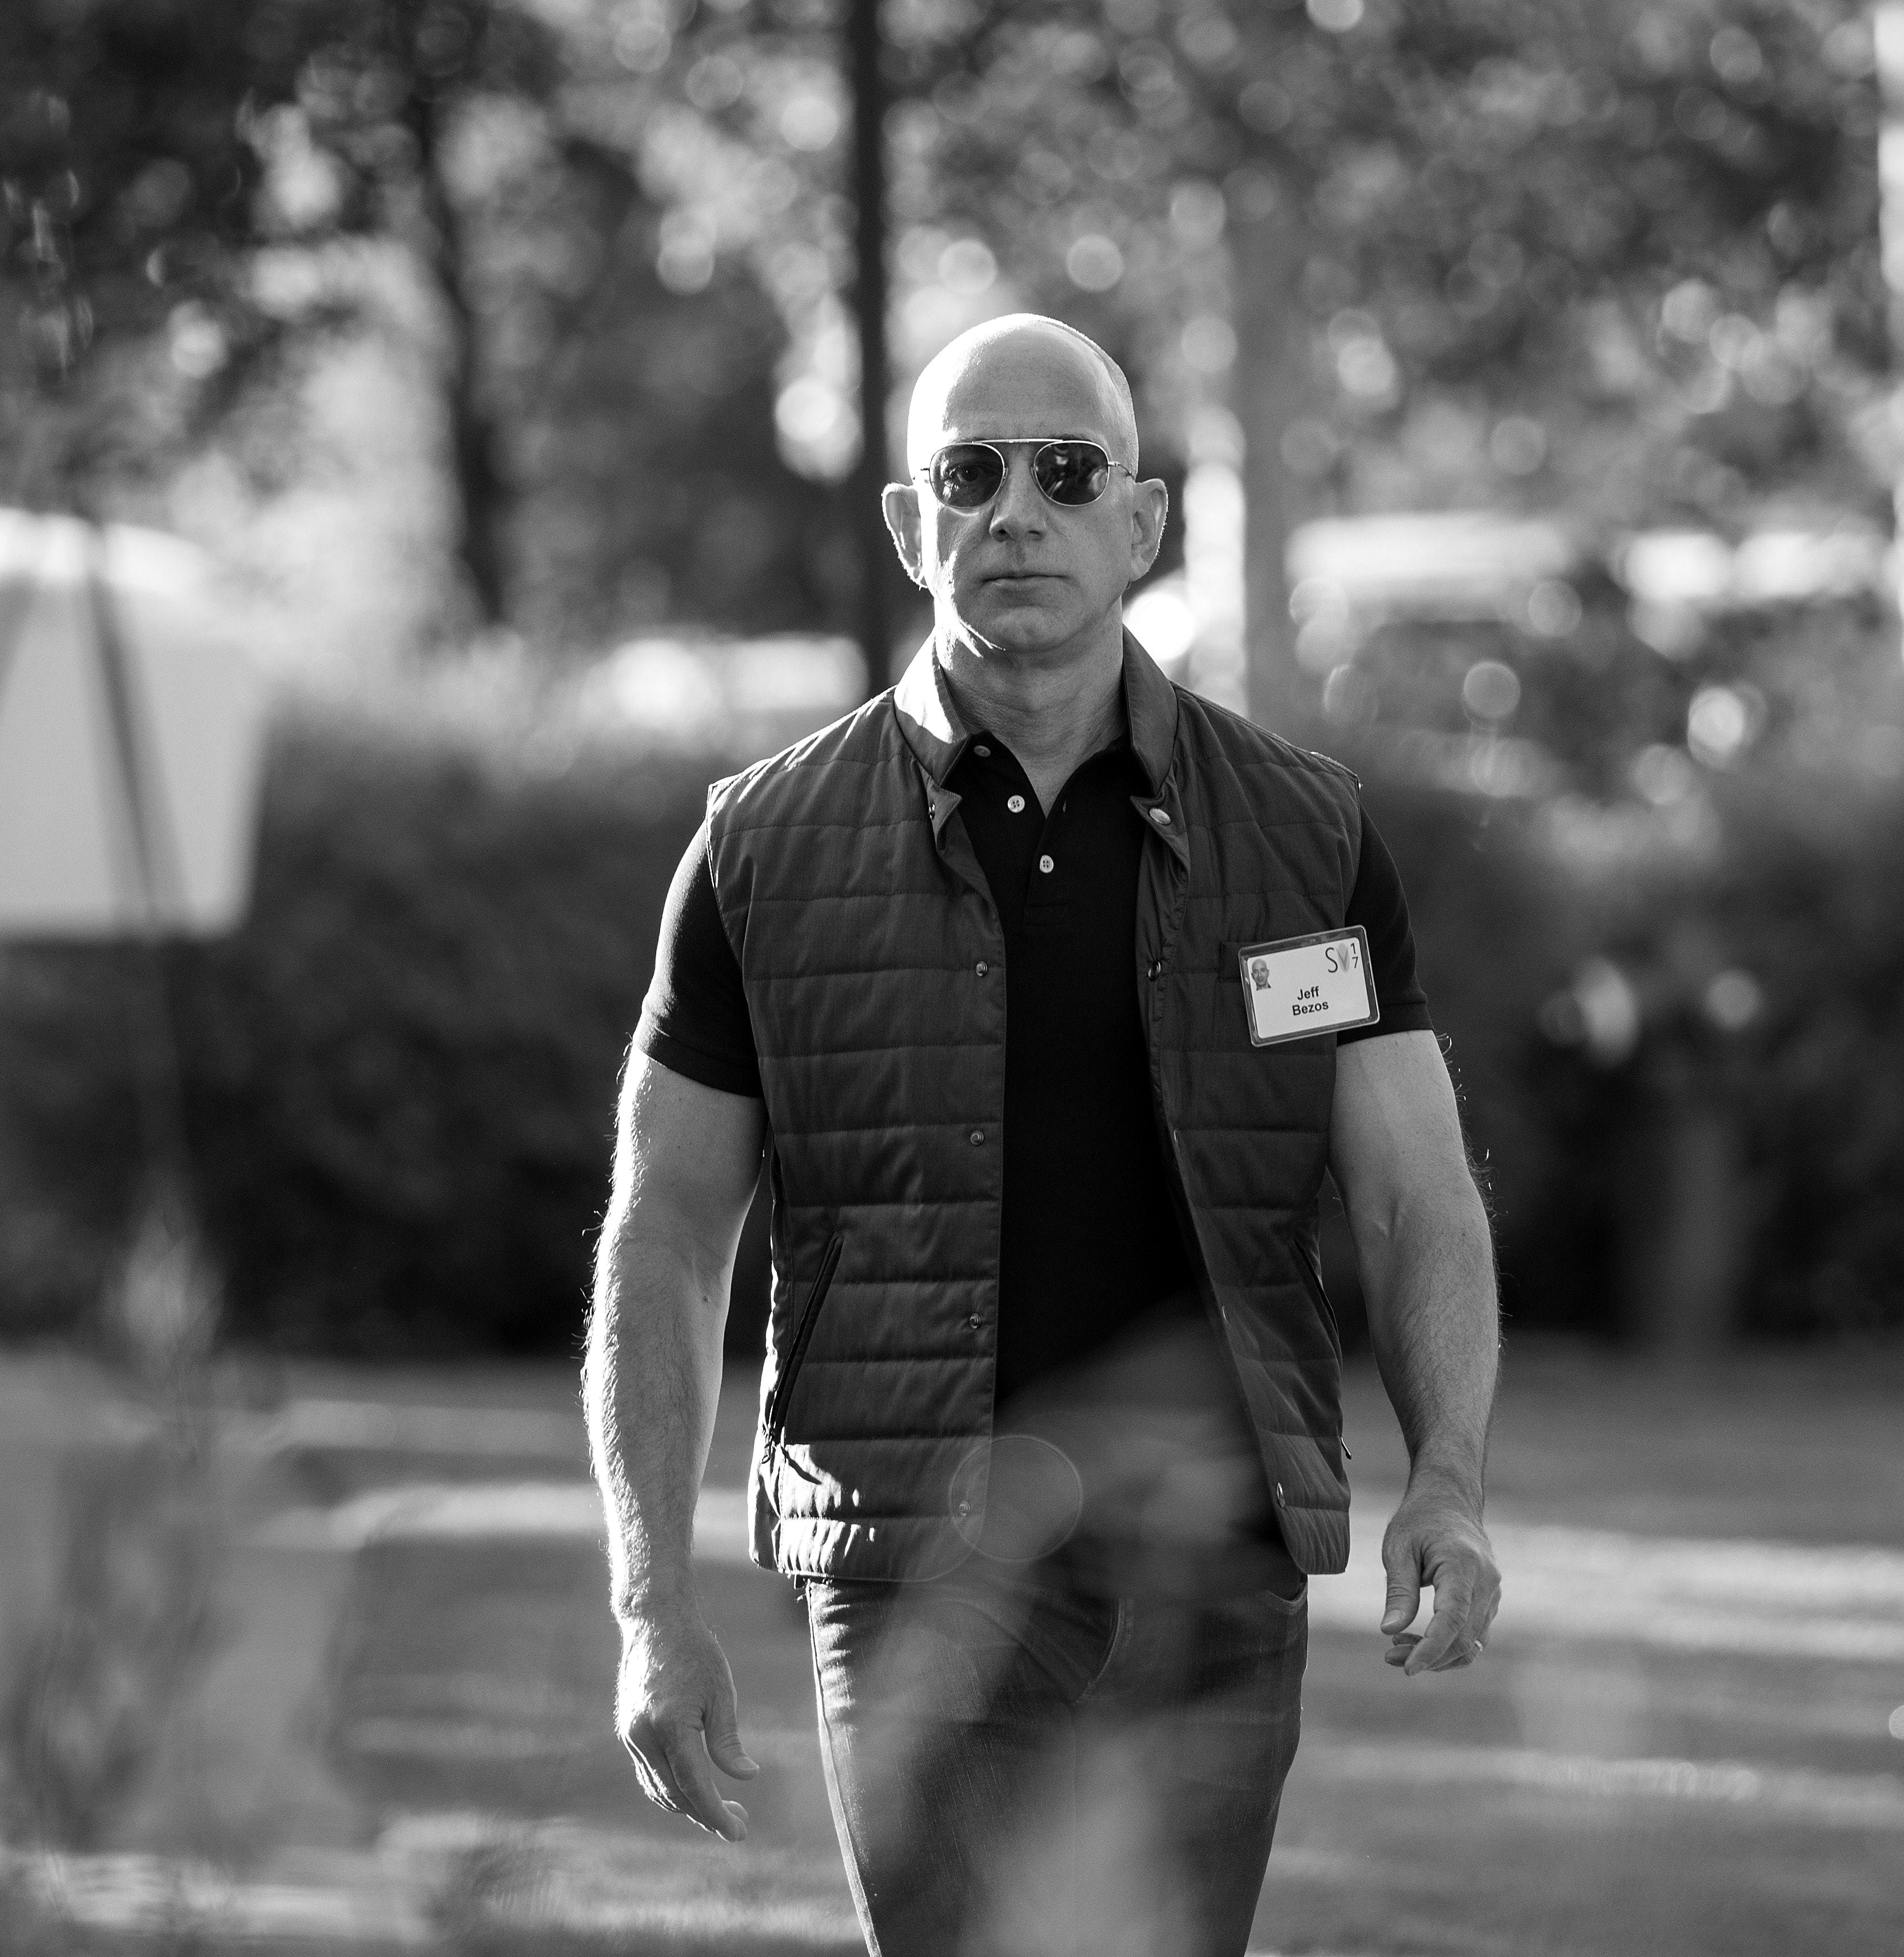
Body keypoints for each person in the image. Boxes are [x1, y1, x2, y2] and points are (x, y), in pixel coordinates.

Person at [584, 314, 1502, 1957]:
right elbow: (666, 1234)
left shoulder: (1300, 840)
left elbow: (1413, 1192)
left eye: (1068, 473)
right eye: (970, 473)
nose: (1017, 512)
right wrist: (651, 1603)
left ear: (1141, 522)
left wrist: (1450, 1480)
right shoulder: (762, 851)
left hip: (1215, 1574)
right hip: (914, 1573)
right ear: (908, 524)